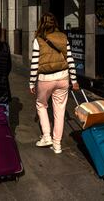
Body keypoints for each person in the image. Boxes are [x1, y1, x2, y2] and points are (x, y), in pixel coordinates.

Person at [29, 13, 79, 154]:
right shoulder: (63, 37)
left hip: (46, 78)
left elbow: (34, 64)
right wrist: (74, 80)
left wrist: (32, 82)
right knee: (60, 111)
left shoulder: (38, 40)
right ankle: (57, 145)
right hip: (63, 77)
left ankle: (46, 137)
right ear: (55, 23)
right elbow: (70, 59)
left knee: (41, 105)